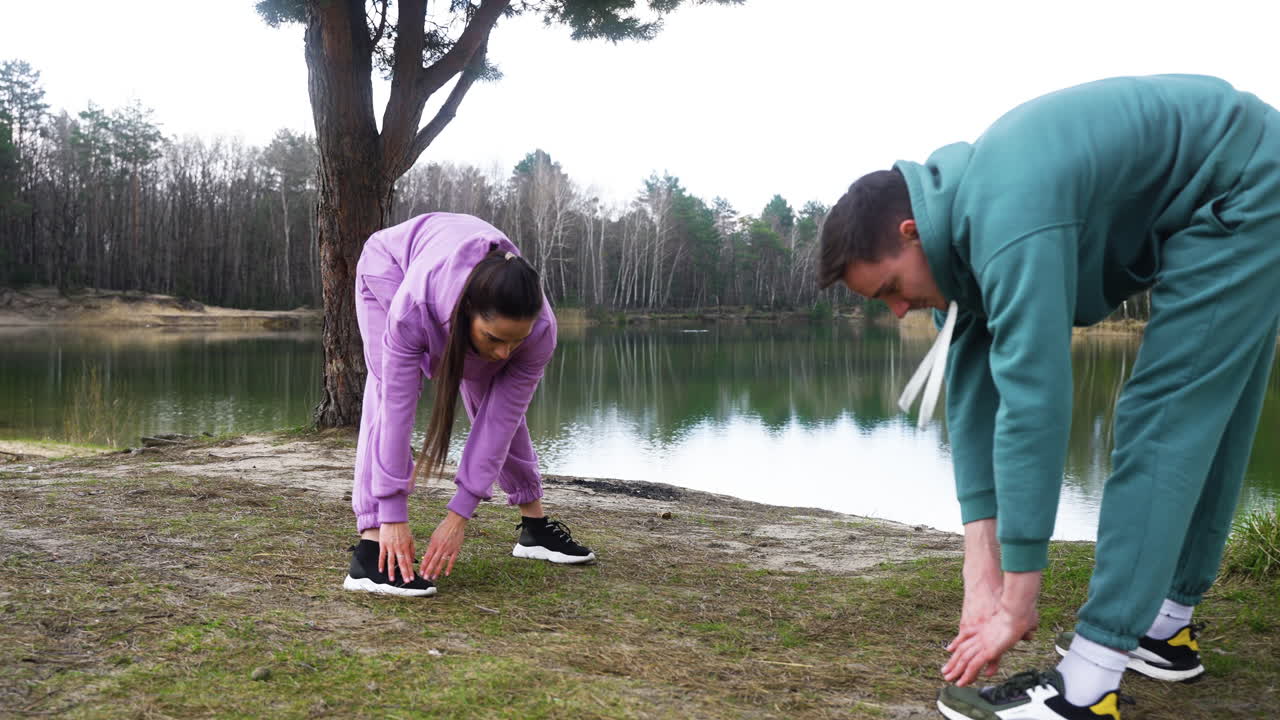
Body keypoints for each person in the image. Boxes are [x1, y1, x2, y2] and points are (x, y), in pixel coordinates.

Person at [818, 75, 1279, 719]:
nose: (897, 310)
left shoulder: (1007, 216)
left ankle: (1087, 690)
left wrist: (1019, 599)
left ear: (910, 231)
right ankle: (1165, 628)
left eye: (891, 287)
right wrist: (981, 576)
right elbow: (976, 405)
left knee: (1166, 417)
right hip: (1243, 178)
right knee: (1210, 417)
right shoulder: (964, 231)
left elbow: (1034, 406)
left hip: (1246, 186)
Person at [342, 213, 595, 598]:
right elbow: (397, 409)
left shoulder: (540, 332)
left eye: (516, 341)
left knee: (499, 402)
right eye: (494, 338)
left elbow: (500, 420)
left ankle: (535, 530)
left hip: (448, 289)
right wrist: (393, 513)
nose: (505, 352)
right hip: (390, 270)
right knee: (383, 392)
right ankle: (370, 551)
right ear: (466, 312)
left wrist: (460, 513)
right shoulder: (415, 307)